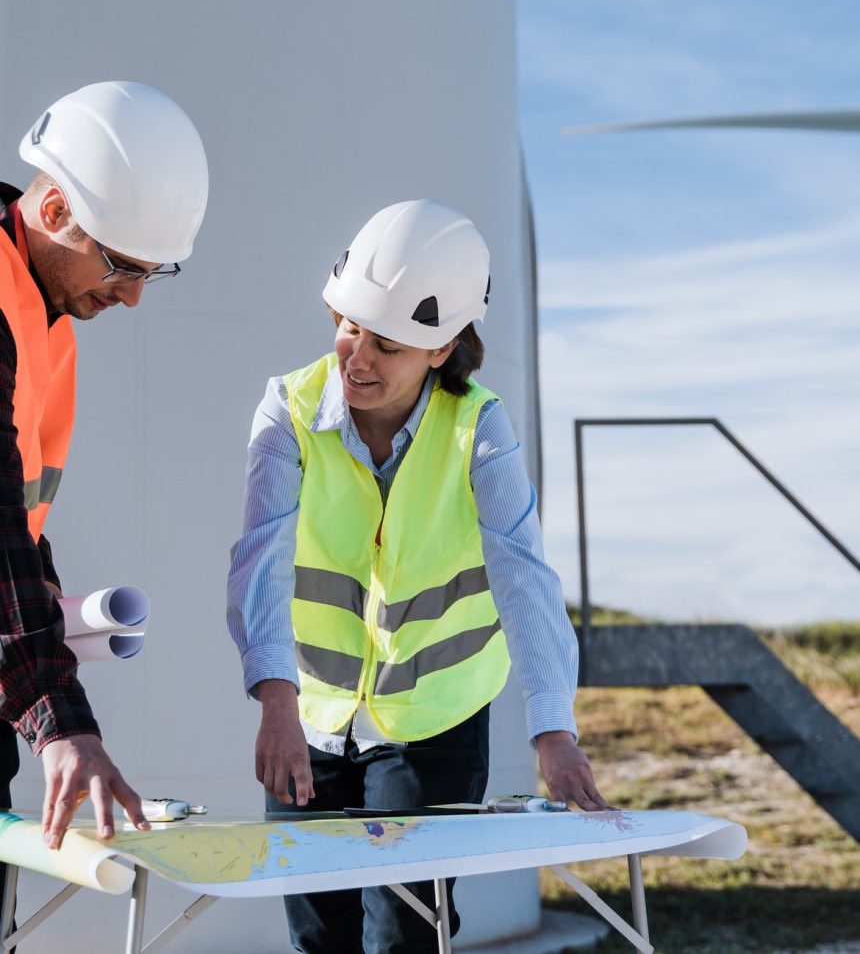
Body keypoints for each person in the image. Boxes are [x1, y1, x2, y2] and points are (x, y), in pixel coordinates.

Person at [227, 198, 607, 953]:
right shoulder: (289, 411)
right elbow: (259, 558)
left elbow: (523, 574)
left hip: (433, 720)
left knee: (403, 934)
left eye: (388, 345)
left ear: (440, 350)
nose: (356, 358)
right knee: (315, 935)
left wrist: (553, 729)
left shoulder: (479, 428)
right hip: (311, 713)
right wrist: (275, 699)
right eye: (349, 327)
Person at [0, 81, 209, 853]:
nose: (132, 299)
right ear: (54, 211)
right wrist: (61, 721)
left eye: (152, 273)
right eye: (122, 266)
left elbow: (16, 514)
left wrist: (45, 594)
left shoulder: (41, 321)